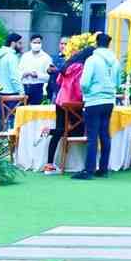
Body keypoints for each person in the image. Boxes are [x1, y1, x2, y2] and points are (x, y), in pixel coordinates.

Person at [72, 32, 121, 180]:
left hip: (94, 100)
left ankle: (89, 170)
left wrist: (87, 92)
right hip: (109, 101)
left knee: (92, 136)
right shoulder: (115, 61)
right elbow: (118, 83)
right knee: (105, 134)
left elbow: (85, 82)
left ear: (96, 43)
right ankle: (103, 168)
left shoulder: (92, 60)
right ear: (108, 44)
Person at [41, 43, 92, 173]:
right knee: (79, 131)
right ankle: (51, 131)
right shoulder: (81, 68)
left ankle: (49, 164)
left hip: (60, 100)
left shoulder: (67, 65)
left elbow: (58, 81)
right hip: (73, 103)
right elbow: (79, 87)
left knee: (60, 130)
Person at [0, 32, 23, 128]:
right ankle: (10, 142)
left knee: (0, 121)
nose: (21, 46)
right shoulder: (11, 56)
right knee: (12, 122)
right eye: (20, 43)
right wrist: (21, 92)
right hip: (12, 94)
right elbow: (14, 77)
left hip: (0, 92)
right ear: (13, 43)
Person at [19, 34, 53, 106]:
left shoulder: (46, 58)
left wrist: (37, 75)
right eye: (34, 43)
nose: (37, 45)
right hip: (24, 87)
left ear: (41, 44)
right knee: (22, 109)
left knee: (35, 109)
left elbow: (49, 77)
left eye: (39, 43)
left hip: (38, 87)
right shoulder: (25, 56)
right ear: (30, 43)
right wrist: (24, 74)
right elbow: (18, 72)